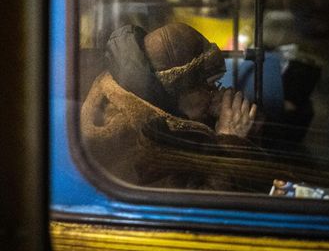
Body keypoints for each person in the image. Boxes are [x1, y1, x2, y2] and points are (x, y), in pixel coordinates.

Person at [81, 23, 278, 192]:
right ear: (176, 90)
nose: (214, 93)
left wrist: (244, 131)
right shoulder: (129, 133)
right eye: (207, 86)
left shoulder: (170, 113)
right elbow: (194, 211)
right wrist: (230, 140)